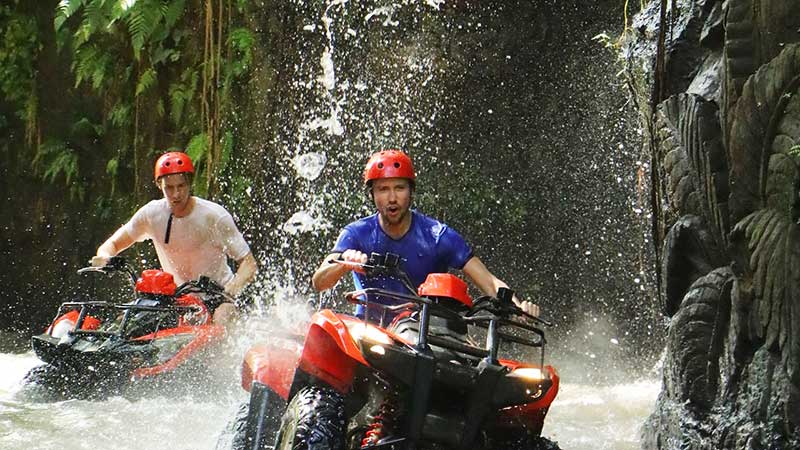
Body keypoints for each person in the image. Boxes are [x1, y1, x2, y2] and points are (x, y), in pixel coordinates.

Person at [311, 149, 539, 319]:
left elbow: (488, 281)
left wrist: (519, 308)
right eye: (383, 189)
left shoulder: (438, 236)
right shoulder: (356, 233)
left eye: (399, 188)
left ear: (411, 192)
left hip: (422, 335)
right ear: (372, 195)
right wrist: (344, 264)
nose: (392, 198)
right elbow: (319, 281)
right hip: (368, 332)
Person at [91, 151, 258, 324]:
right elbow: (112, 244)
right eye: (169, 188)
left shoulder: (214, 216)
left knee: (222, 318)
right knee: (130, 323)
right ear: (158, 185)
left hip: (219, 296)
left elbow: (249, 263)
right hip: (177, 301)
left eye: (181, 186)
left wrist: (233, 288)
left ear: (189, 184)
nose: (176, 194)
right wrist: (104, 258)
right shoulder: (151, 214)